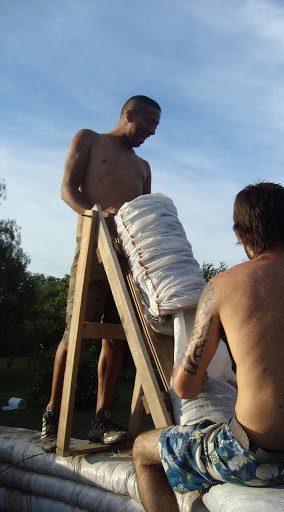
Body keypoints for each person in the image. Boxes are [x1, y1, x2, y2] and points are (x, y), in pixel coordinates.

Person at [132, 182, 284, 512]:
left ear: (240, 234)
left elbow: (184, 387)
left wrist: (203, 379)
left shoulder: (222, 287)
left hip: (250, 458)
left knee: (143, 450)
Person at [40, 95, 161, 453]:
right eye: (149, 124)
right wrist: (94, 214)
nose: (152, 133)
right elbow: (67, 189)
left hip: (126, 258)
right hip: (93, 248)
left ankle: (101, 419)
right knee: (75, 331)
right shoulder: (89, 139)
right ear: (129, 114)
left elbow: (143, 212)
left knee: (118, 336)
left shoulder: (143, 166)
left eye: (157, 127)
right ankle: (52, 413)